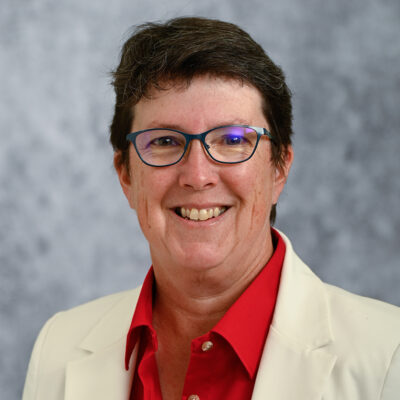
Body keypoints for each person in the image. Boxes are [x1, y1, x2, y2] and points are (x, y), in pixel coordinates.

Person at [23, 17, 400, 400]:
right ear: (126, 175)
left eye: (233, 139)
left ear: (279, 168)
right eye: (166, 141)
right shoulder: (57, 347)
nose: (197, 175)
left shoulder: (388, 357)